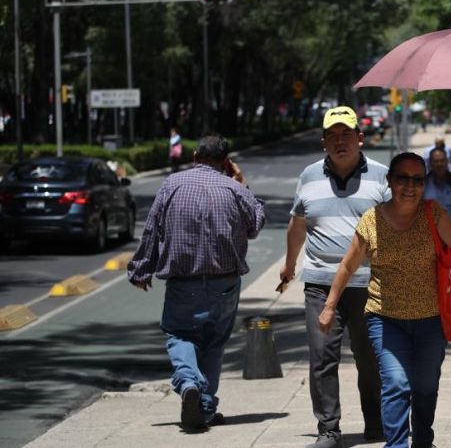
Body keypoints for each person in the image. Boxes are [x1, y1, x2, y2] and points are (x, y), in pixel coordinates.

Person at [318, 153, 451, 448]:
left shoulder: (434, 213)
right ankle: (396, 445)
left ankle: (423, 440)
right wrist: (329, 306)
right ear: (390, 181)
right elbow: (347, 266)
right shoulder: (372, 219)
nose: (410, 185)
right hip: (385, 318)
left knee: (426, 387)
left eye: (418, 179)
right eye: (403, 177)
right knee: (395, 384)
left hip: (430, 319)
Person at [127, 134, 265, 430]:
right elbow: (255, 224)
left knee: (180, 335)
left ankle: (188, 382)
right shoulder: (234, 188)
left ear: (194, 157)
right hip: (224, 283)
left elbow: (152, 229)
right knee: (214, 344)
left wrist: (141, 269)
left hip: (183, 282)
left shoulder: (172, 185)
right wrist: (241, 183)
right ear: (227, 163)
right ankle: (204, 407)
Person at [280, 105, 389, 448]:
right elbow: (298, 225)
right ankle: (329, 429)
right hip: (320, 282)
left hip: (369, 283)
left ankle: (375, 420)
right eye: (332, 136)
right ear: (324, 141)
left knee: (370, 359)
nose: (340, 141)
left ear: (360, 137)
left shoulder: (382, 176)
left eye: (346, 135)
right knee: (321, 356)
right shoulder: (309, 176)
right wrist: (289, 264)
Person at [424, 147, 451, 225]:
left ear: (447, 162)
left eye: (442, 160)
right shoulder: (423, 184)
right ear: (430, 163)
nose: (439, 164)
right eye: (436, 161)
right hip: (430, 228)